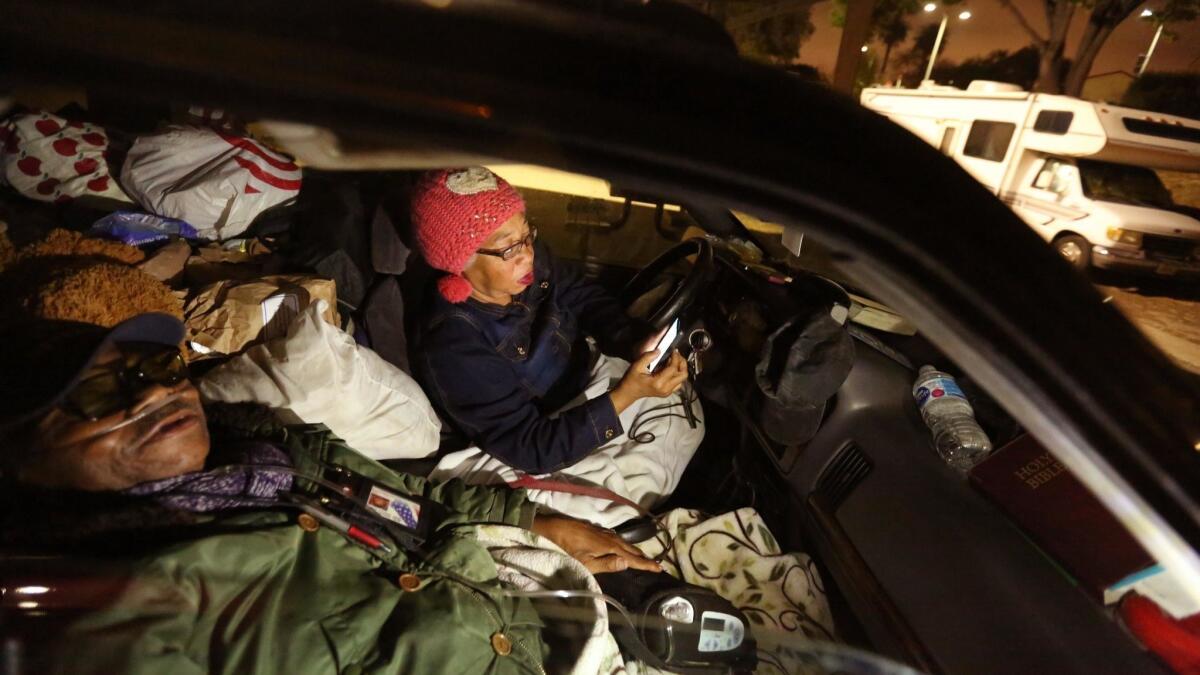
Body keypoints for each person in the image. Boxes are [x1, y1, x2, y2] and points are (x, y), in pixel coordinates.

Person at [0, 313, 662, 675]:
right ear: (22, 464)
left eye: (157, 366)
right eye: (93, 394)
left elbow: (412, 498)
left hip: (532, 627)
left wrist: (541, 520)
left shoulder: (275, 450)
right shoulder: (103, 618)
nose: (151, 392)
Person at [411, 167, 703, 526]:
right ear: (460, 262)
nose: (528, 255)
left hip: (585, 378)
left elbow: (583, 295)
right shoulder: (454, 345)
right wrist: (626, 395)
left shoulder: (530, 263)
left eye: (527, 234)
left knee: (688, 414)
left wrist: (631, 340)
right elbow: (530, 445)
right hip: (537, 434)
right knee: (616, 507)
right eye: (508, 247)